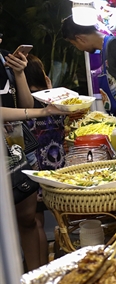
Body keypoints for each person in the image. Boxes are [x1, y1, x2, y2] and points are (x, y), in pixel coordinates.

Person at [3, 104, 64, 271]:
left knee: (28, 220)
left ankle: (35, 278)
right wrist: (42, 112)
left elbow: (27, 102)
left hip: (16, 151)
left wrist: (20, 76)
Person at [61, 16, 116, 119]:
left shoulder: (114, 44)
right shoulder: (104, 50)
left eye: (74, 44)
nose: (79, 48)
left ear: (80, 38)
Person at [24, 54, 67, 259]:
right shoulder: (54, 101)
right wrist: (49, 86)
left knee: (35, 223)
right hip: (59, 169)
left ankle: (40, 268)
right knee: (64, 218)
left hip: (36, 172)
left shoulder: (23, 105)